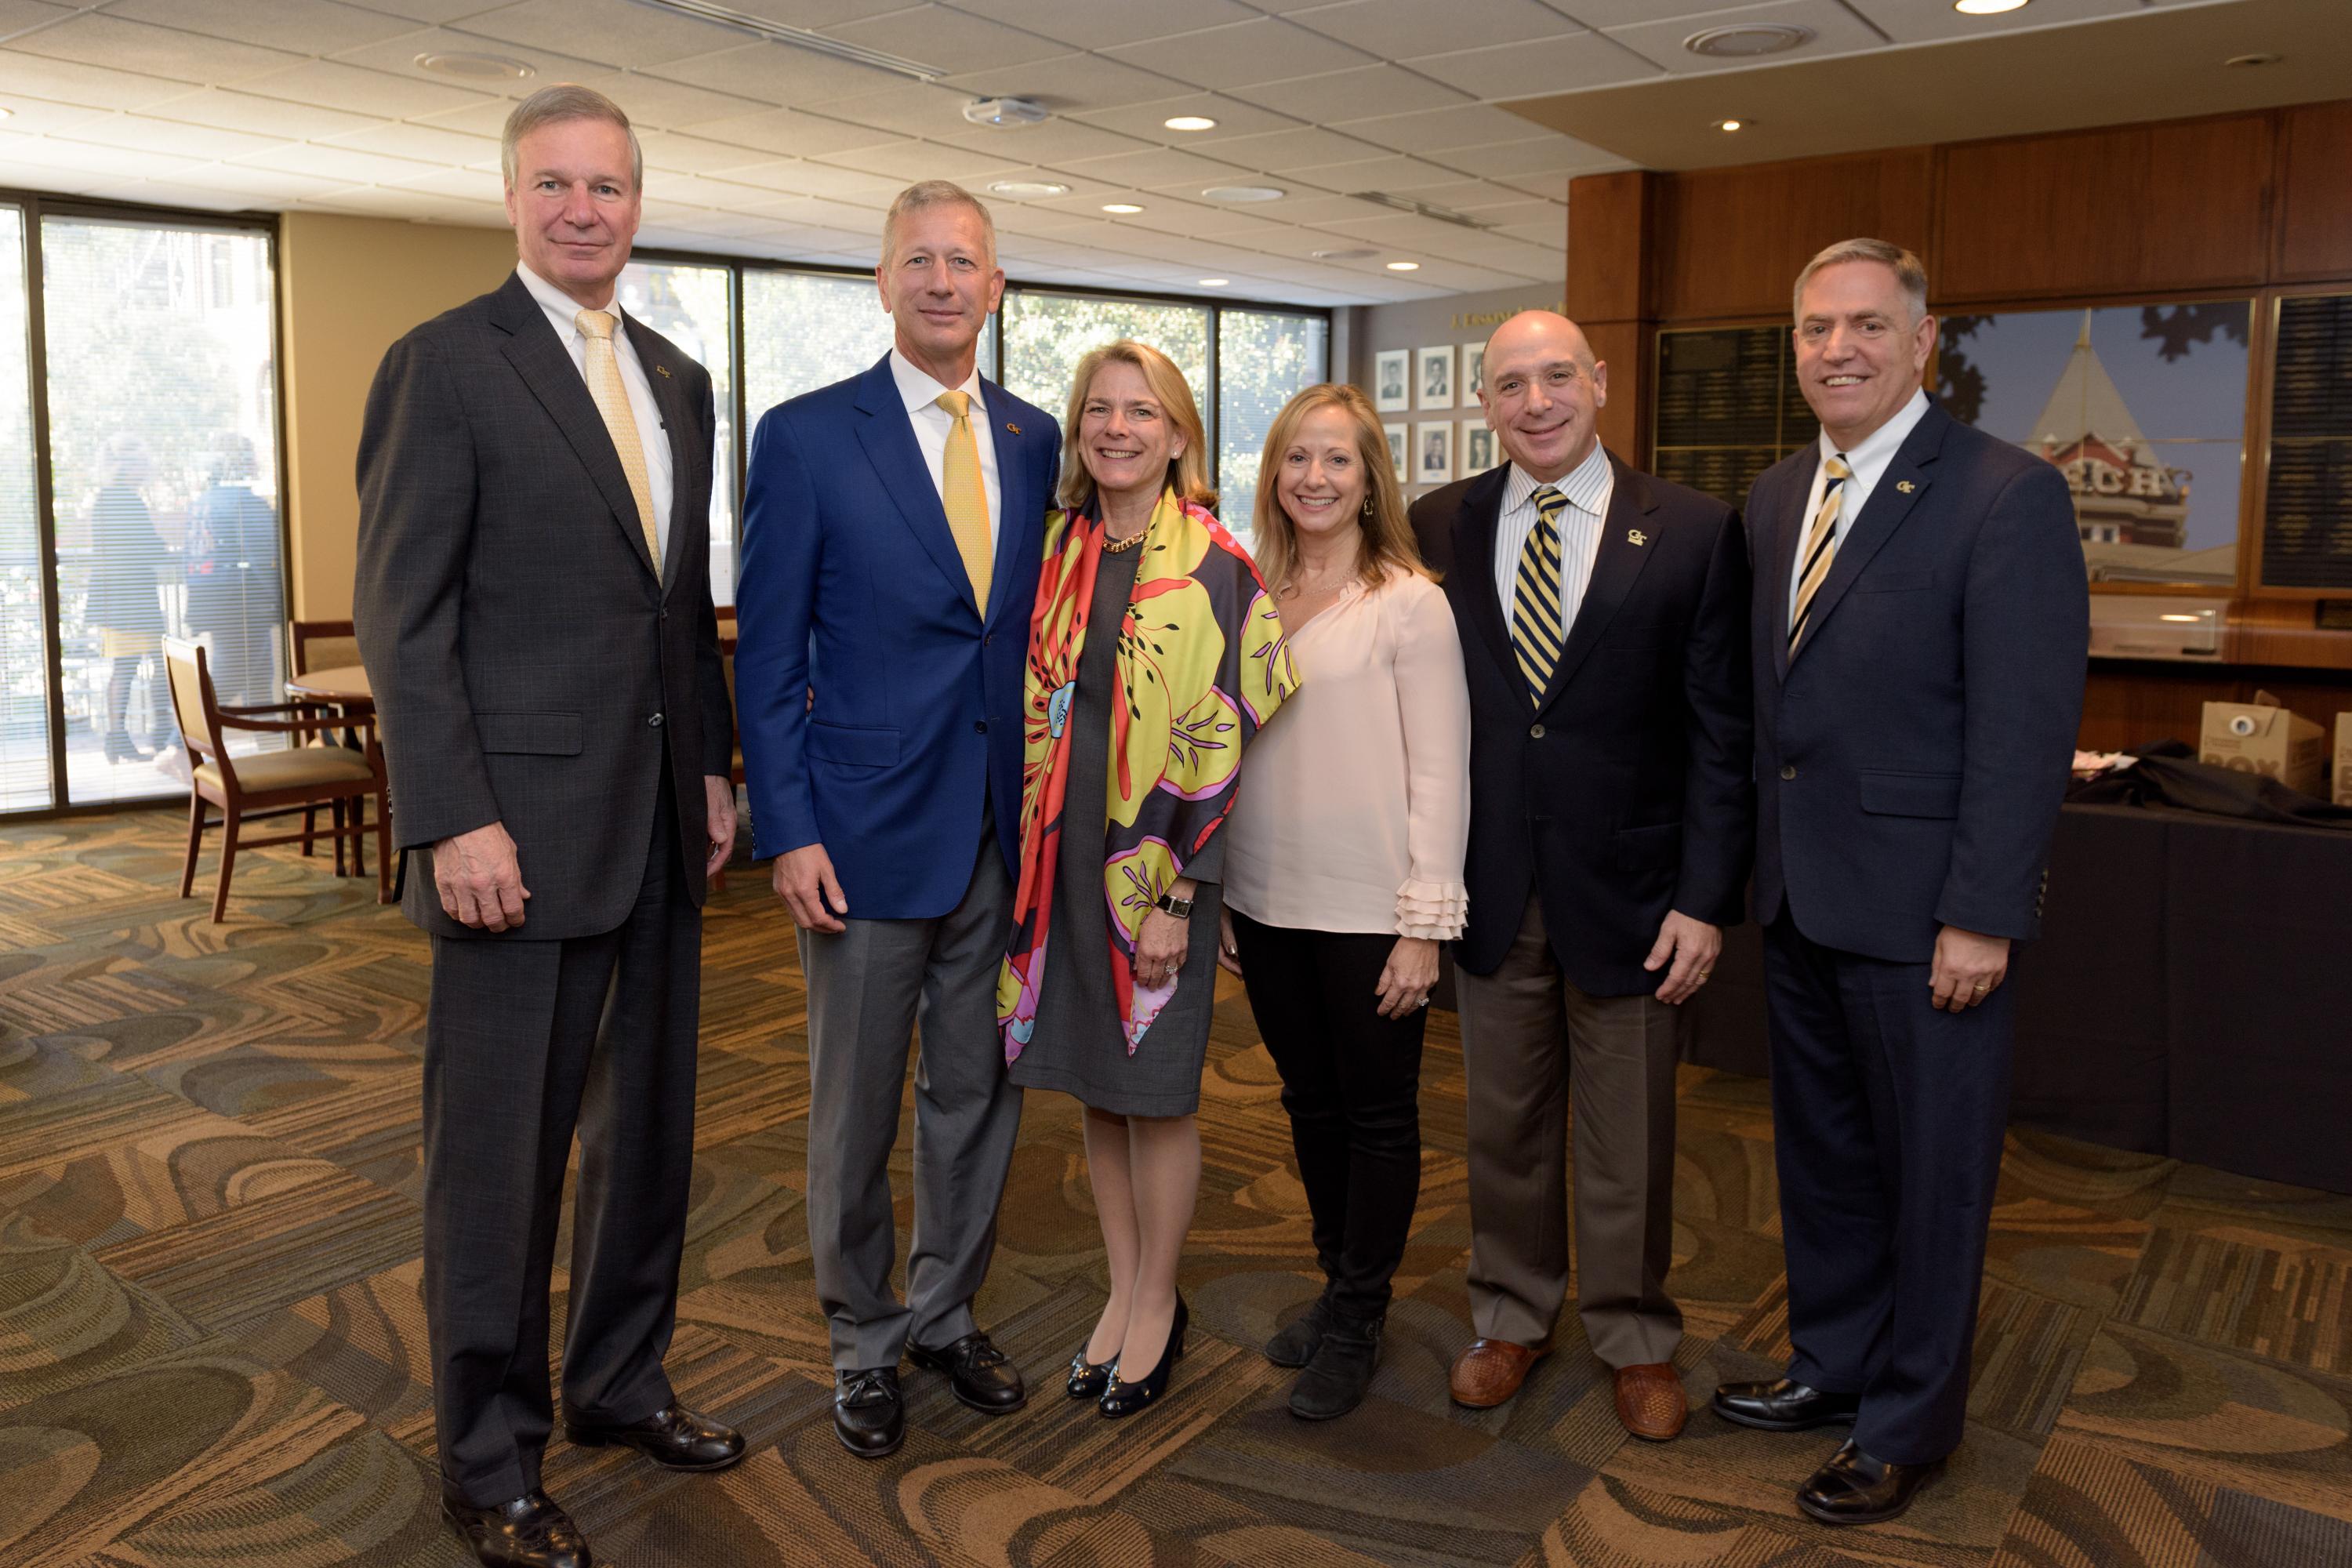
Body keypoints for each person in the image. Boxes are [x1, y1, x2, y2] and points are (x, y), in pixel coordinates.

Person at [354, 84, 740, 1568]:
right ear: (512, 195)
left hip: (655, 827)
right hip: (512, 835)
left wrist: (709, 772)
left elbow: (677, 617)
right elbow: (405, 616)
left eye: (610, 187)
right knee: (501, 1160)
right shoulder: (445, 365)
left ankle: (620, 1382)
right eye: (555, 184)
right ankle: (487, 1455)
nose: (584, 210)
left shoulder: (677, 375)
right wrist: (453, 817)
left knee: (649, 1138)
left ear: (640, 203)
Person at [1711, 238, 2087, 1526]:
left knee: (1934, 1175)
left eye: (1868, 325)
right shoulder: (1772, 498)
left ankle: (1910, 1422)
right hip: (1803, 899)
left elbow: (2024, 727)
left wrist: (1984, 909)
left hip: (1934, 916)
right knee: (1823, 1159)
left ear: (1925, 343)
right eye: (1817, 328)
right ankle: (1834, 1365)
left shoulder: (2005, 493)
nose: (1840, 349)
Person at [735, 181, 1061, 1460]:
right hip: (860, 834)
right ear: (882, 283)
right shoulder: (809, 437)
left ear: (995, 288)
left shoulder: (1036, 441)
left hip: (1001, 829)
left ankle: (945, 1313)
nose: (940, 281)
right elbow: (765, 655)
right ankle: (862, 1338)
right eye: (916, 260)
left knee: (977, 1095)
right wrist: (789, 827)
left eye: (963, 262)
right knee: (856, 1108)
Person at [1409, 310, 1752, 1443]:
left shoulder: (1696, 530)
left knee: (1630, 1136)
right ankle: (1511, 1313)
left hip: (1640, 893)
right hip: (1493, 881)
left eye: (1558, 377)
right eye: (1512, 384)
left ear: (1598, 383)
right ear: (1486, 403)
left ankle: (1638, 1336)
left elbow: (1720, 731)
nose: (1537, 402)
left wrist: (1706, 895)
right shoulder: (1438, 524)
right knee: (1502, 1124)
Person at [996, 339, 1294, 1421]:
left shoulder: (1213, 560)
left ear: (1178, 433)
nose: (1117, 429)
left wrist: (1179, 896)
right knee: (1097, 1086)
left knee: (1157, 1096)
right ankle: (1119, 1292)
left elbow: (1228, 739)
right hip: (1059, 861)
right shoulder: (1053, 548)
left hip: (1157, 869)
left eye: (1142, 412)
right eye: (1099, 410)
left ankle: (1158, 1304)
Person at [1220, 383, 1468, 1420]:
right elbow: (1222, 755)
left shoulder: (1409, 599)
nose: (1313, 478)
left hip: (1372, 911)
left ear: (1371, 482)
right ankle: (1336, 1282)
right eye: (1296, 459)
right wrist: (1222, 890)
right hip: (1267, 902)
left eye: (1336, 460)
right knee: (1306, 1106)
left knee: (1375, 1116)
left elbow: (1442, 773)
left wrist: (1424, 925)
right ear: (1274, 475)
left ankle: (1360, 1316)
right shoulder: (1247, 593)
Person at [85, 434, 167, 764]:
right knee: (154, 665)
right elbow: (148, 547)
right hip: (131, 598)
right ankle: (158, 735)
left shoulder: (104, 499)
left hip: (115, 597)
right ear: (126, 466)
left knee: (127, 667)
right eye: (141, 463)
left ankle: (119, 737)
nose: (146, 469)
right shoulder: (127, 500)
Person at [185, 432, 281, 708]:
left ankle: (267, 743)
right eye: (250, 457)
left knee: (260, 677)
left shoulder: (202, 503)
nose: (256, 463)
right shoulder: (244, 504)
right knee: (231, 676)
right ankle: (179, 742)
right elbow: (266, 554)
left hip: (213, 601)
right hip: (242, 604)